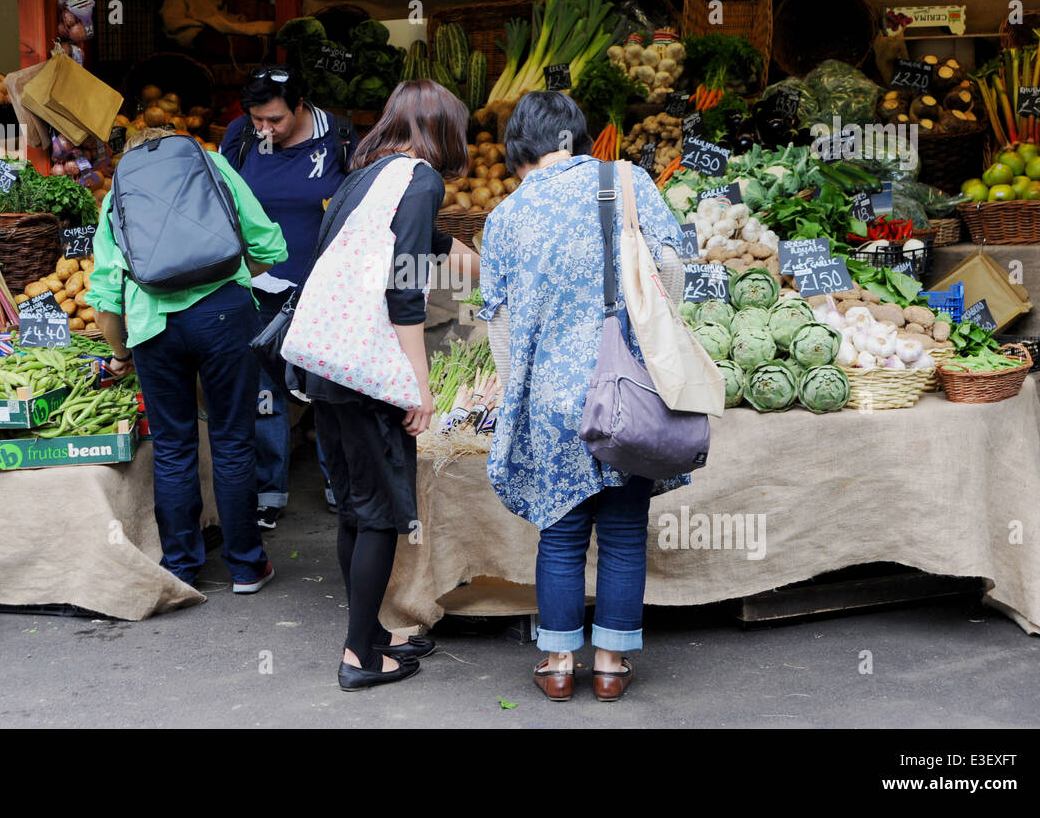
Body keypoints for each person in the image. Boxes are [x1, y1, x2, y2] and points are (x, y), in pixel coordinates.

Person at [476, 90, 688, 704]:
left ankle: (559, 663)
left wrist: (517, 389)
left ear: (519, 149)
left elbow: (502, 323)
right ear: (577, 137)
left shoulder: (507, 215)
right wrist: (652, 332)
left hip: (551, 399)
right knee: (624, 533)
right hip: (627, 390)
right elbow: (672, 268)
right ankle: (612, 667)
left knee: (561, 533)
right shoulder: (625, 181)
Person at [307, 79, 476, 692]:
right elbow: (404, 289)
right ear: (439, 128)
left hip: (328, 364)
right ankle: (359, 656)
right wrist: (417, 384)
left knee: (355, 509)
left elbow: (414, 245)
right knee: (378, 514)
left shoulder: (368, 176)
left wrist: (487, 262)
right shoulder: (422, 178)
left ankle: (373, 634)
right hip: (369, 369)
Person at [87, 126, 288, 594]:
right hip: (223, 315)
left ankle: (181, 566)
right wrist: (231, 271)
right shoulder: (213, 164)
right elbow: (268, 247)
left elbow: (103, 292)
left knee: (174, 446)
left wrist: (120, 353)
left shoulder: (119, 189)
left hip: (154, 326)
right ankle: (246, 567)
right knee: (233, 440)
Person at [219, 65, 357, 530]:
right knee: (265, 394)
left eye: (275, 120)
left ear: (300, 106)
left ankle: (341, 486)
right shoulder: (239, 137)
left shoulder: (337, 135)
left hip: (324, 288)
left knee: (329, 389)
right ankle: (268, 493)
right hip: (258, 287)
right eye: (258, 119)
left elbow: (359, 202)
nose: (265, 129)